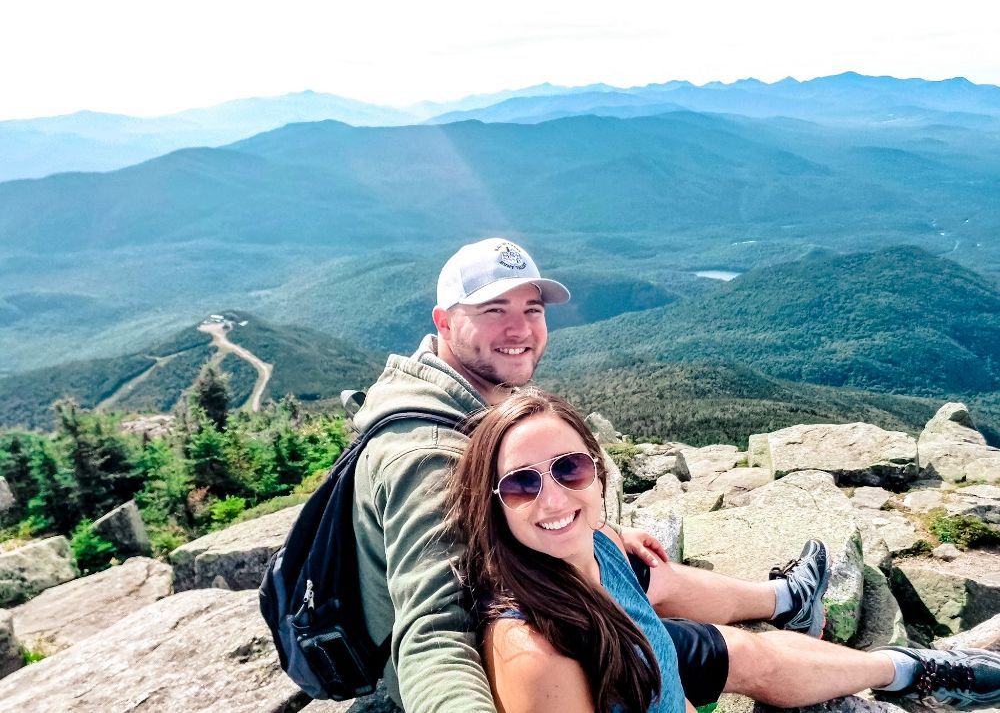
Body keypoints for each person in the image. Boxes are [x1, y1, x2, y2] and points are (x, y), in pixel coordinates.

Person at [351, 237, 1000, 711]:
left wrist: (595, 531)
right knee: (739, 651)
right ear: (445, 322)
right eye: (494, 310)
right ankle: (898, 664)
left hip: (542, 587)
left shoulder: (466, 388)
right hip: (528, 631)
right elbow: (433, 633)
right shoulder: (426, 454)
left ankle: (792, 605)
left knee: (637, 566)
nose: (520, 328)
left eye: (532, 308)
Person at [448, 388, 1000, 712]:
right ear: (492, 505)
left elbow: (662, 683)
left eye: (570, 468)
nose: (552, 498)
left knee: (751, 653)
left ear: (598, 472)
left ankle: (907, 667)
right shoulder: (536, 657)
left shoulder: (598, 547)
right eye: (521, 483)